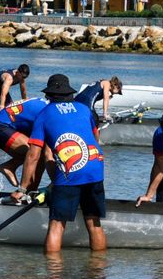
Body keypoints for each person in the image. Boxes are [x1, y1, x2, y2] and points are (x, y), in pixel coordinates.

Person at [14, 74, 107, 253]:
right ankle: (97, 273)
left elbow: (33, 155)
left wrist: (22, 189)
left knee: (57, 225)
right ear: (69, 93)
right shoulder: (84, 109)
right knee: (94, 222)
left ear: (49, 96)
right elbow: (96, 138)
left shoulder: (44, 115)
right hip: (96, 168)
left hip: (70, 173)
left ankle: (54, 275)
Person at [0, 95, 47, 186]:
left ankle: (30, 190)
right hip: (0, 126)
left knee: (39, 154)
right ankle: (11, 168)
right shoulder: (47, 113)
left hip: (3, 125)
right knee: (37, 154)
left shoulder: (43, 103)